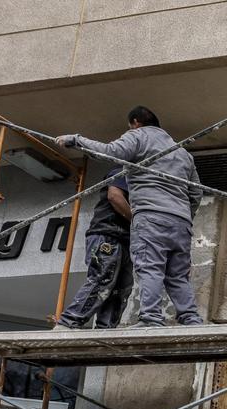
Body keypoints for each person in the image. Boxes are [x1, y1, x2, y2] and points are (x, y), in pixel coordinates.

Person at [56, 106, 204, 327]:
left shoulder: (139, 136)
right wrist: (185, 215)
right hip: (181, 222)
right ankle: (191, 319)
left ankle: (151, 318)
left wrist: (75, 140)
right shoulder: (182, 153)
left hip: (151, 215)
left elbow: (110, 152)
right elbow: (196, 191)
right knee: (177, 275)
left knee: (149, 267)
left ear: (135, 122)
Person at [54, 168, 134, 329]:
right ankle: (68, 323)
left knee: (120, 289)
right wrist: (137, 220)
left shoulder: (141, 180)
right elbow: (114, 196)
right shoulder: (124, 172)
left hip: (125, 239)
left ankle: (105, 329)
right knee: (102, 279)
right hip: (108, 234)